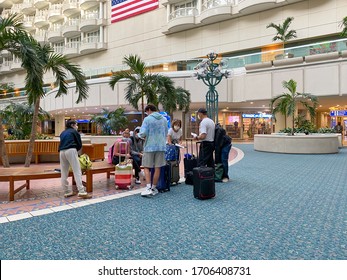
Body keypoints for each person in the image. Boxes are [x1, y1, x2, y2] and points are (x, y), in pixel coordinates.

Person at [138, 104, 168, 196]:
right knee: (157, 167)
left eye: (147, 112)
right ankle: (154, 188)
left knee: (146, 167)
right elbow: (166, 132)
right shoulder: (164, 119)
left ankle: (148, 187)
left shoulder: (147, 119)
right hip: (161, 146)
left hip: (149, 146)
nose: (147, 114)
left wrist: (139, 135)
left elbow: (142, 133)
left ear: (149, 110)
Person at [58, 119, 92, 199]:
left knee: (64, 172)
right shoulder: (74, 132)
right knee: (77, 170)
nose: (77, 126)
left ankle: (66, 191)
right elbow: (79, 144)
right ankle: (81, 191)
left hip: (62, 151)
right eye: (76, 125)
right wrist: (76, 152)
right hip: (71, 150)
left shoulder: (62, 133)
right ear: (72, 125)